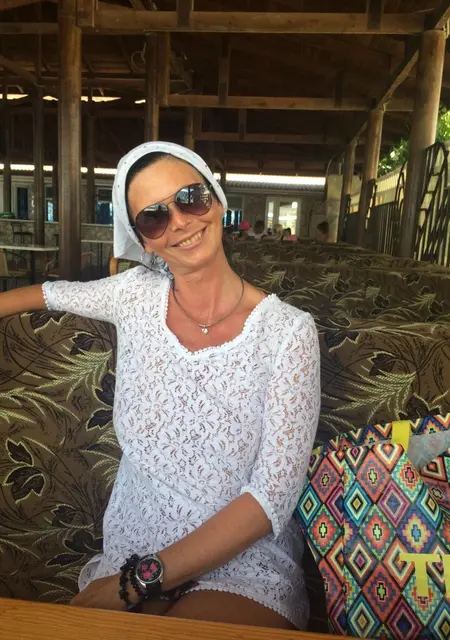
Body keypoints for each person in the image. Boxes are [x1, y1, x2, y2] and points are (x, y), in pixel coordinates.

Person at [0, 142, 320, 630]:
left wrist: (137, 582)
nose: (181, 221)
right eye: (153, 217)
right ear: (143, 242)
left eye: (191, 197)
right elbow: (48, 293)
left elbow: (270, 499)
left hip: (242, 560)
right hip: (136, 541)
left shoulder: (289, 332)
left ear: (217, 200)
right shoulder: (133, 295)